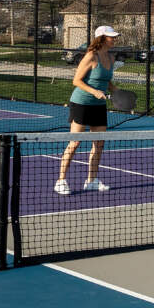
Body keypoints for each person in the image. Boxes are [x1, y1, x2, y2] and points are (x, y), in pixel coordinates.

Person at [55, 25, 123, 195]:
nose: (114, 39)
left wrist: (117, 92)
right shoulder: (90, 56)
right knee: (75, 142)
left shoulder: (111, 58)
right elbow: (76, 81)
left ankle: (91, 181)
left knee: (99, 144)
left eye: (114, 37)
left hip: (99, 106)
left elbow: (105, 81)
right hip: (81, 103)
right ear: (101, 38)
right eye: (111, 37)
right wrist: (94, 92)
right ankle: (61, 181)